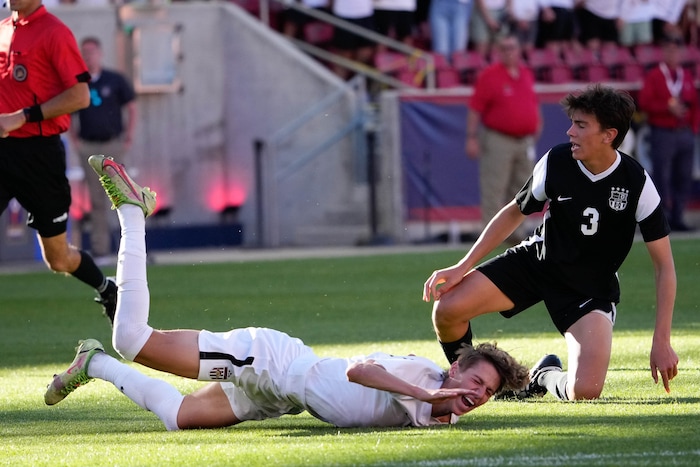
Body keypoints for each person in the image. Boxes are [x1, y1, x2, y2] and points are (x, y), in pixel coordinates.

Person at [44, 155, 528, 430]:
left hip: (284, 396)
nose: (477, 394)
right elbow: (362, 370)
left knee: (178, 417)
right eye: (475, 381)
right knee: (133, 340)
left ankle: (93, 363)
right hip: (268, 362)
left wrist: (438, 402)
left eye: (486, 392)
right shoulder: (424, 375)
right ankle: (134, 210)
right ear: (454, 367)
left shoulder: (444, 414)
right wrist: (425, 389)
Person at [424, 84, 679, 401]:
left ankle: (543, 378)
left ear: (608, 135)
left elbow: (665, 267)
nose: (570, 131)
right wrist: (463, 266)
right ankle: (477, 384)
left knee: (585, 391)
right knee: (447, 310)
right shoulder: (557, 161)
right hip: (537, 264)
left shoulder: (636, 182)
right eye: (572, 122)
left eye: (581, 125)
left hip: (588, 290)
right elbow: (514, 212)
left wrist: (662, 340)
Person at [0, 0, 117, 321]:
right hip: (3, 149)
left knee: (58, 259)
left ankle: (107, 288)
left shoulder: (55, 32)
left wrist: (22, 117)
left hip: (40, 156)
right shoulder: (3, 30)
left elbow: (79, 96)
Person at [466, 33, 542, 242]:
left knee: (522, 188)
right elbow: (475, 108)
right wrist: (471, 136)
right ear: (498, 52)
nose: (509, 52)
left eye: (512, 48)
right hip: (499, 138)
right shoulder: (490, 75)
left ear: (519, 50)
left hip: (524, 139)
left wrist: (537, 124)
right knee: (494, 187)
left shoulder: (525, 73)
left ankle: (515, 234)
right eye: (505, 48)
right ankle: (490, 238)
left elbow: (532, 102)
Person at [69, 36, 137, 261]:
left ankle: (129, 247)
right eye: (85, 52)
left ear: (100, 53)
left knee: (121, 195)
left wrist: (127, 137)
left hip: (112, 144)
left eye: (92, 51)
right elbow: (68, 113)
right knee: (96, 200)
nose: (89, 56)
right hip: (89, 146)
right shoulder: (78, 83)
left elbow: (131, 107)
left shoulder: (114, 80)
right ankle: (101, 249)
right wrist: (75, 141)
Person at [638, 34, 699, 232]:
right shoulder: (655, 75)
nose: (673, 54)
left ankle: (678, 216)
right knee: (662, 176)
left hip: (684, 132)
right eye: (669, 50)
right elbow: (644, 102)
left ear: (681, 53)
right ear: (663, 52)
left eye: (676, 50)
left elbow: (694, 103)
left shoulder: (686, 75)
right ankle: (661, 219)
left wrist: (694, 128)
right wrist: (666, 108)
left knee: (683, 174)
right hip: (662, 131)